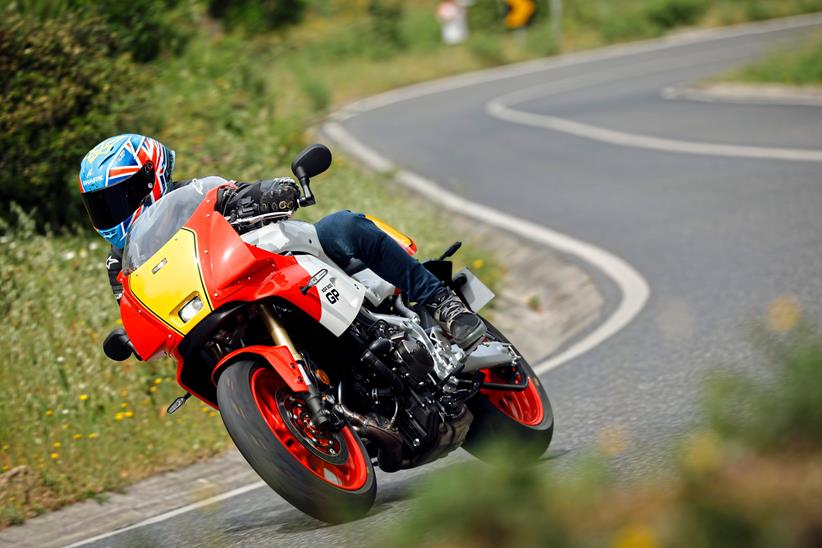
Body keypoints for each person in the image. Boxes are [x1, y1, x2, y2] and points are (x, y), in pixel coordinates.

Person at [79, 134, 486, 348]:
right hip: (220, 319)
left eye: (120, 197)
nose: (111, 212)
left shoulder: (201, 195)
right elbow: (139, 307)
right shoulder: (123, 265)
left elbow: (240, 195)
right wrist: (134, 335)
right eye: (100, 205)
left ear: (152, 177)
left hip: (274, 273)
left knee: (341, 226)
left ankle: (442, 303)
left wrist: (274, 191)